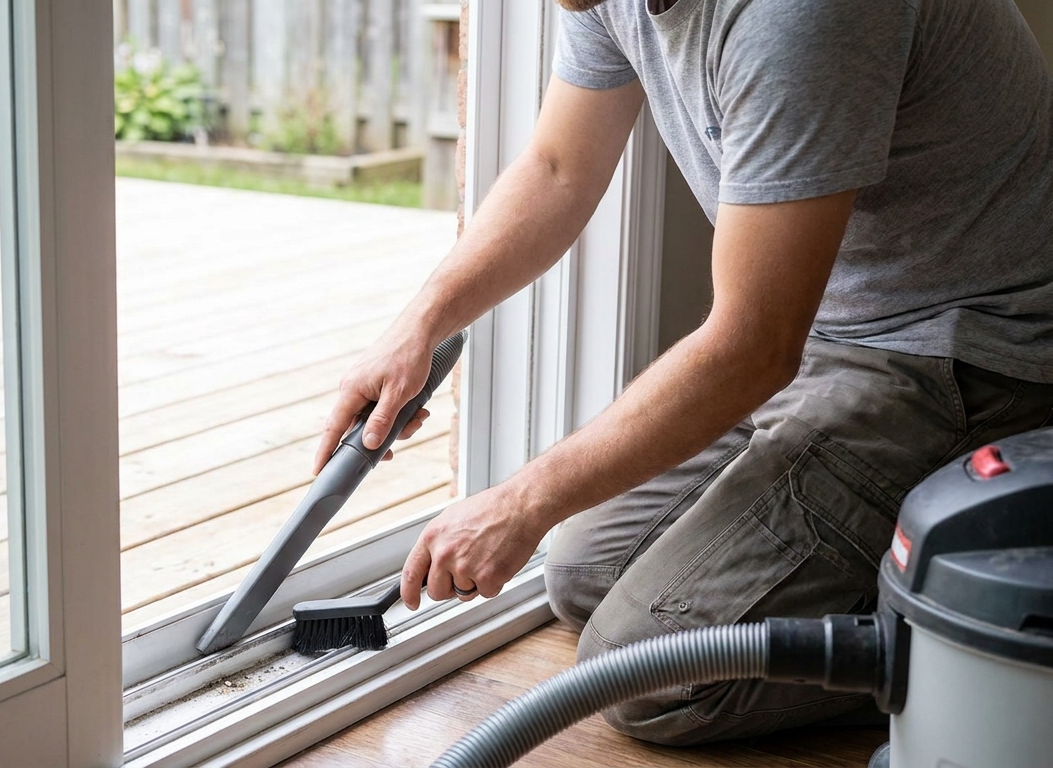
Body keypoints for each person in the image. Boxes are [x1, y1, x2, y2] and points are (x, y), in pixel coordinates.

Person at [313, 0, 1053, 746]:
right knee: (583, 576)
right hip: (830, 332)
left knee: (655, 676)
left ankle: (994, 658)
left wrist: (520, 501)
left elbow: (754, 346)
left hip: (974, 357)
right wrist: (418, 326)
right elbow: (557, 168)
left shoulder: (800, 16)